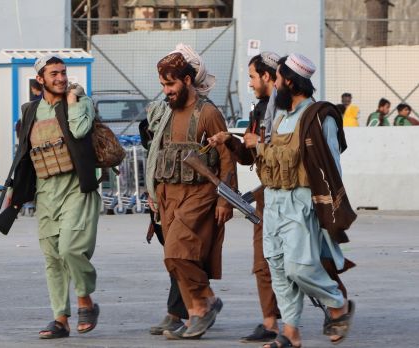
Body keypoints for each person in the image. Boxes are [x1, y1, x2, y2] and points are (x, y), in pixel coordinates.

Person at [244, 53, 357, 348]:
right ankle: (291, 331)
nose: (275, 82)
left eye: (279, 78)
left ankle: (337, 305)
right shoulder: (281, 116)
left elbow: (329, 166)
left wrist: (327, 207)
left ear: (290, 82)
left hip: (300, 199)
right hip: (273, 199)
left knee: (299, 267)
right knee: (278, 267)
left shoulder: (319, 116)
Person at [1, 55, 101, 339]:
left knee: (70, 249)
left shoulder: (82, 103)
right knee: (52, 258)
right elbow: (23, 155)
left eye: (63, 72)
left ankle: (85, 299)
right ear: (40, 79)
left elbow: (80, 130)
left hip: (76, 189)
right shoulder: (30, 111)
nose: (60, 78)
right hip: (46, 192)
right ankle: (60, 318)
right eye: (53, 73)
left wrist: (71, 102)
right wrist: (13, 193)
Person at [145, 47, 237, 340]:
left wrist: (225, 199)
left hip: (199, 194)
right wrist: (155, 193)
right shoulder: (167, 113)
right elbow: (159, 154)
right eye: (162, 85)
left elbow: (226, 158)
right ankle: (196, 312)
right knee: (172, 258)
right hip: (169, 195)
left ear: (187, 80)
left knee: (178, 252)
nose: (166, 91)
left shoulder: (208, 113)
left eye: (171, 84)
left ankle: (206, 301)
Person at [210, 52, 282, 343]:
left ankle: (336, 307)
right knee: (263, 263)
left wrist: (262, 142)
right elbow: (247, 157)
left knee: (306, 262)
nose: (250, 83)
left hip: (294, 194)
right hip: (266, 196)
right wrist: (231, 141)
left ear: (267, 76)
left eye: (253, 76)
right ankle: (271, 324)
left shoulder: (290, 110)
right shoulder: (259, 111)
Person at [139, 118, 189, 336]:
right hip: (163, 201)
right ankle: (184, 311)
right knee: (174, 258)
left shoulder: (200, 115)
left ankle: (184, 313)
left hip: (185, 198)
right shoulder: (155, 121)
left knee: (181, 257)